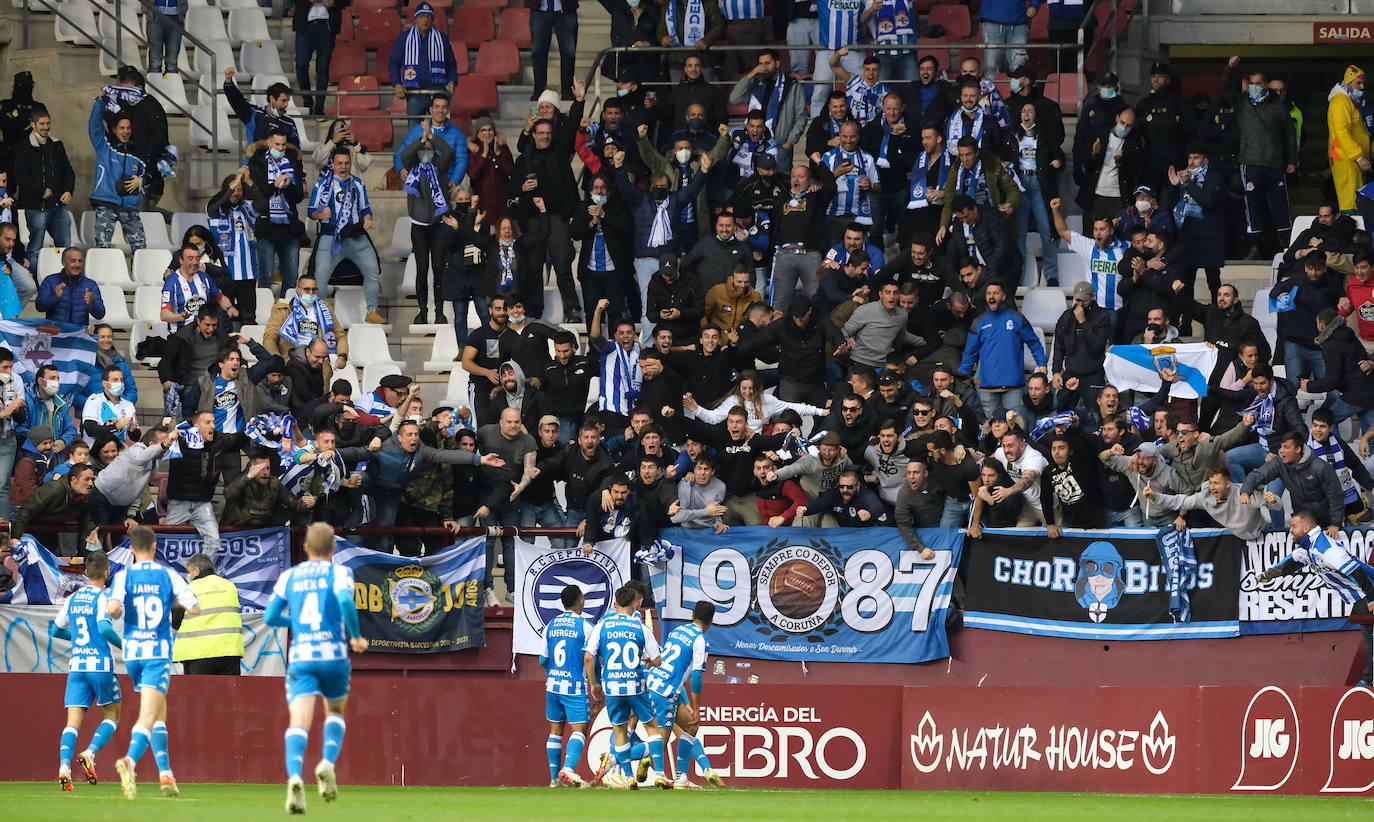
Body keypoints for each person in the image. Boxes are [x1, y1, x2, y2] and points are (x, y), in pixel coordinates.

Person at [263, 522, 368, 813]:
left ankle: (295, 776)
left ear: (305, 548)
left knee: (299, 722)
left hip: (302, 658)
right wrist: (355, 636)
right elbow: (347, 602)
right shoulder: (340, 573)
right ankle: (326, 762)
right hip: (333, 656)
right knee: (334, 712)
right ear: (334, 548)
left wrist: (296, 623)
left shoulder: (290, 576)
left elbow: (271, 617)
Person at [106, 526, 200, 800]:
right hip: (156, 652)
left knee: (159, 711)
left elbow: (112, 609)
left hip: (132, 652)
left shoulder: (124, 575)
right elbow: (194, 607)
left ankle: (166, 774)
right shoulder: (168, 575)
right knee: (148, 714)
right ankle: (130, 761)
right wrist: (169, 601)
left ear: (132, 549)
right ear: (155, 546)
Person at [50, 548, 122, 792]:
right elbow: (104, 628)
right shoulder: (104, 597)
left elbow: (55, 631)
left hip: (77, 666)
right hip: (100, 666)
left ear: (85, 572)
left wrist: (79, 640)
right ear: (106, 571)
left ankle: (63, 768)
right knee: (112, 715)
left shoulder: (73, 598)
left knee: (72, 723)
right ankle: (90, 753)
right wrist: (126, 647)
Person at [584, 585, 662, 790]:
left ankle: (628, 777)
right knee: (653, 727)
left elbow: (588, 657)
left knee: (620, 731)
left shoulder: (602, 626)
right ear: (636, 604)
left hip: (612, 687)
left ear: (615, 604)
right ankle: (661, 774)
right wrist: (650, 662)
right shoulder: (641, 627)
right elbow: (658, 659)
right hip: (636, 685)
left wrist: (594, 684)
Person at [644, 600, 720, 789]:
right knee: (660, 742)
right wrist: (697, 708)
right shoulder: (701, 641)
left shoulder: (676, 631)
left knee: (690, 728)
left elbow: (672, 664)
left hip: (653, 683)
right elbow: (695, 677)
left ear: (692, 615)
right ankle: (614, 759)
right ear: (711, 621)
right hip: (665, 692)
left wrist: (684, 702)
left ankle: (682, 777)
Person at [310, 147, 383, 323]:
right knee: (320, 277)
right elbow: (311, 211)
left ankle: (372, 312)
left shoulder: (358, 183)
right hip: (331, 236)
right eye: (339, 163)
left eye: (347, 163)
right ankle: (321, 315)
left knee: (373, 270)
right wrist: (321, 215)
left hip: (356, 235)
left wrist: (368, 217)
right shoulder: (321, 185)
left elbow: (365, 208)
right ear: (332, 165)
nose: (343, 167)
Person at [959, 281, 1047, 422]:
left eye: (995, 293)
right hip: (987, 389)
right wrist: (962, 377)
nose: (991, 296)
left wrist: (1042, 363)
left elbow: (1034, 343)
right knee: (991, 428)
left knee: (1016, 426)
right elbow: (969, 354)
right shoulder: (978, 322)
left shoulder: (1017, 319)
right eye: (988, 293)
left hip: (1014, 387)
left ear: (1004, 296)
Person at [398, 117, 456, 325]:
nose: (427, 150)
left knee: (439, 269)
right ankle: (422, 311)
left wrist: (431, 136)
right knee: (422, 270)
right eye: (424, 148)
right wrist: (421, 139)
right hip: (419, 228)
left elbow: (449, 152)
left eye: (430, 148)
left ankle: (439, 312)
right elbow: (404, 154)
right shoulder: (412, 166)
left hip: (439, 226)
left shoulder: (439, 166)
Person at [1003, 99, 1063, 286]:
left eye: (1030, 111)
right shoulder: (1012, 135)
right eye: (1023, 111)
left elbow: (1059, 154)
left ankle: (1051, 275)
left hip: (1039, 184)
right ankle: (1018, 276)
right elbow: (1002, 157)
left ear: (1036, 115)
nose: (1026, 115)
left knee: (1046, 230)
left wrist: (1058, 162)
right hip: (1019, 185)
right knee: (1019, 233)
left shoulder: (1044, 136)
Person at [541, 585, 592, 788]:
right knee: (579, 729)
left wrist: (554, 670)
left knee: (555, 731)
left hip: (552, 684)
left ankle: (554, 779)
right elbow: (590, 659)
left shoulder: (551, 624)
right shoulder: (586, 626)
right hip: (574, 685)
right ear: (580, 600)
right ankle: (568, 769)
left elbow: (542, 659)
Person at [14, 107, 74, 272]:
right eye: (41, 124)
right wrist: (40, 191)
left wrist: (68, 190)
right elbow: (20, 177)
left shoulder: (57, 145)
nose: (46, 127)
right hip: (36, 208)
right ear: (32, 125)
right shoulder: (24, 147)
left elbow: (68, 171)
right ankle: (36, 285)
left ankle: (66, 282)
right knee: (35, 250)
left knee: (65, 248)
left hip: (58, 207)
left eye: (48, 123)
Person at [1051, 198, 1128, 319]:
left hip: (1116, 310)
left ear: (1111, 230)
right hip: (1092, 309)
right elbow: (1063, 231)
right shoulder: (1089, 246)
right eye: (1095, 229)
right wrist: (1055, 210)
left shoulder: (1125, 247)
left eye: (1102, 229)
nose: (1098, 233)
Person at [169, 553, 245, 676]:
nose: (189, 576)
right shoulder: (230, 586)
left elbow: (177, 623)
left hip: (198, 654)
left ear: (196, 570)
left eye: (189, 572)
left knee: (200, 695)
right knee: (229, 695)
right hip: (229, 652)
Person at [87, 95, 145, 251]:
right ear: (114, 129)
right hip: (106, 203)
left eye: (128, 128)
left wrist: (141, 182)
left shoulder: (137, 152)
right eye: (122, 128)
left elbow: (151, 174)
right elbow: (95, 126)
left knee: (140, 248)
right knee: (103, 247)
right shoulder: (104, 147)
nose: (126, 132)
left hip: (130, 206)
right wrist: (99, 102)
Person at [1273, 254, 1343, 381]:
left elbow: (1340, 302)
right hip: (1295, 342)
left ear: (1325, 268)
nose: (1314, 273)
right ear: (1305, 268)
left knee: (1331, 387)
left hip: (1321, 343)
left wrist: (1342, 298)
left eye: (1318, 269)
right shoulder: (1296, 280)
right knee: (1293, 385)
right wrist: (1280, 292)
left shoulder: (1332, 285)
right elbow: (1274, 292)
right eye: (1311, 268)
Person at [388, 4, 458, 117]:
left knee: (438, 131)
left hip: (438, 93)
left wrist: (452, 80)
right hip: (414, 93)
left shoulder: (442, 39)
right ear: (415, 19)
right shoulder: (404, 39)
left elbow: (451, 64)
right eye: (421, 16)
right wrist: (396, 84)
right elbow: (393, 63)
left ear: (432, 20)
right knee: (416, 132)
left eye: (428, 17)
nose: (425, 20)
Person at [1077, 107, 1143, 225]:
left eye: (1128, 125)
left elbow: (1135, 171)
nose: (1124, 128)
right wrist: (1094, 153)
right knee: (1091, 235)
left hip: (1118, 197)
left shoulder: (1135, 142)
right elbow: (1086, 164)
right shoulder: (1100, 134)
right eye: (1122, 123)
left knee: (1117, 234)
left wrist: (1122, 161)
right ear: (1117, 118)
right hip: (1095, 194)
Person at [1135, 61, 1193, 197]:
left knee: (1171, 201)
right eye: (1153, 76)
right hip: (1150, 162)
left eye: (1160, 76)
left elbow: (1191, 131)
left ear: (1167, 79)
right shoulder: (1144, 104)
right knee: (1149, 202)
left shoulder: (1179, 103)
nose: (1156, 79)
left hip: (1174, 161)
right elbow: (1136, 133)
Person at [293, 0, 350, 115]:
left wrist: (334, 2)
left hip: (327, 26)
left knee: (323, 68)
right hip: (305, 25)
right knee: (300, 65)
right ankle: (307, 101)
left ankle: (319, 108)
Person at [1327, 66, 1370, 215]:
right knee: (1350, 201)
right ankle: (1348, 235)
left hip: (1351, 159)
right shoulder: (1340, 102)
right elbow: (1342, 132)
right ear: (1349, 83)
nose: (1362, 87)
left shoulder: (1349, 101)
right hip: (1345, 157)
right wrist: (1358, 156)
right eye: (1359, 83)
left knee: (1356, 200)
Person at [36, 247, 104, 326]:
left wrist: (91, 304)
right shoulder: (50, 281)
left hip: (79, 334)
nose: (77, 264)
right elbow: (39, 307)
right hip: (56, 333)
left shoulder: (90, 284)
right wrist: (55, 297)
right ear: (63, 262)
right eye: (73, 261)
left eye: (80, 261)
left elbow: (100, 314)